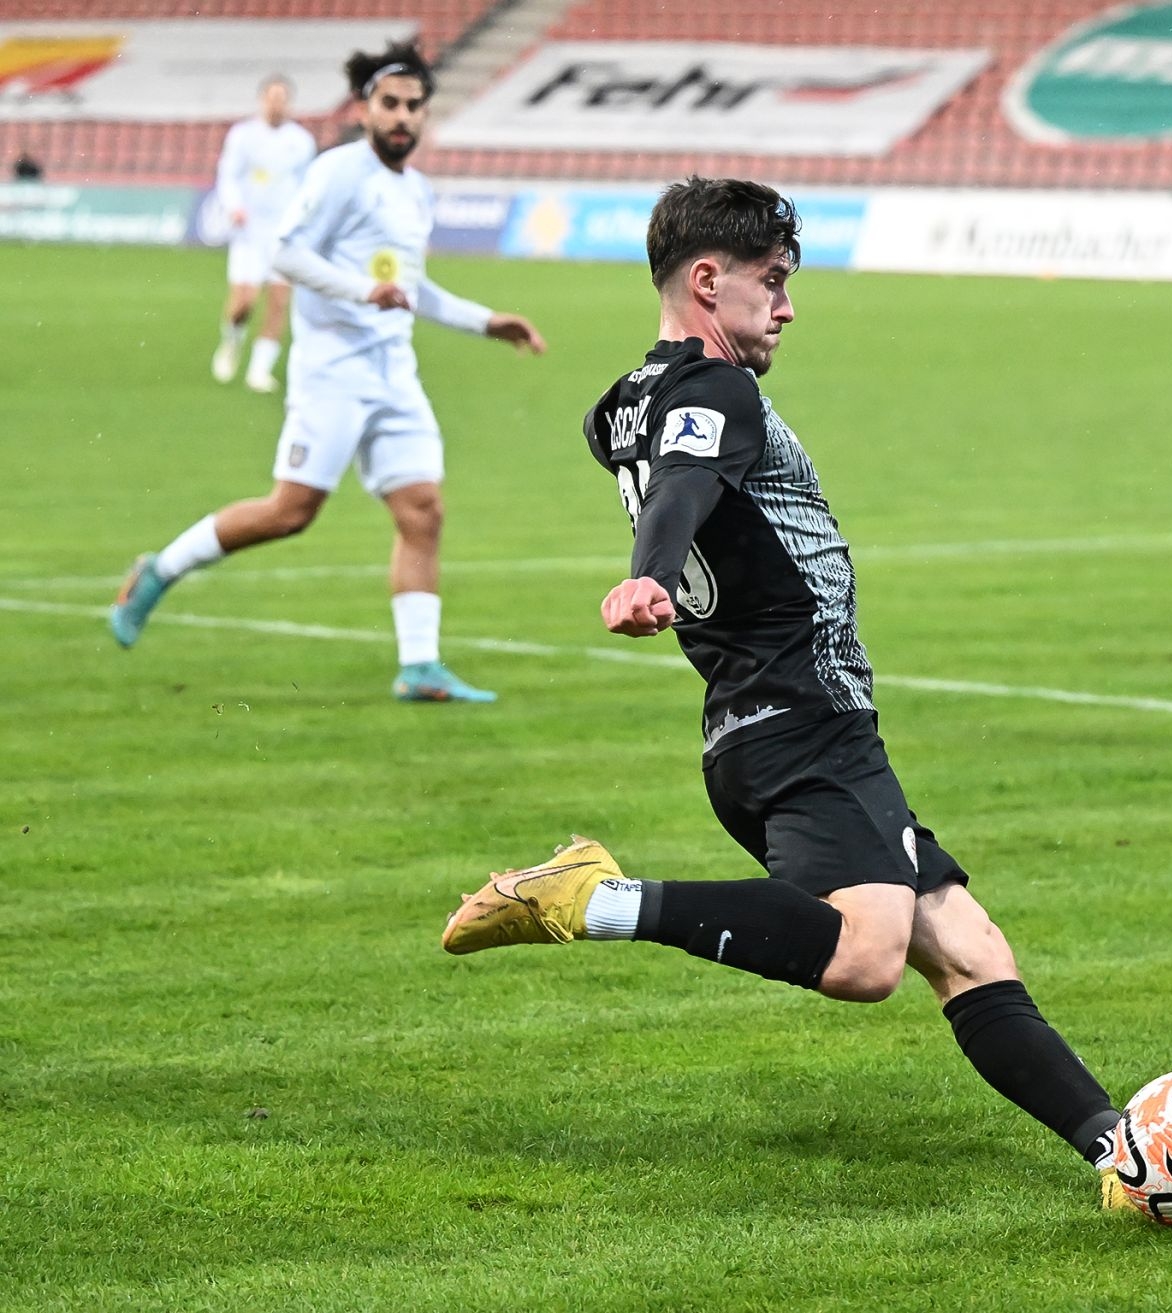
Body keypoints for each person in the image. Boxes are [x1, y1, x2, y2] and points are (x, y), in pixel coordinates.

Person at [441, 177, 1129, 1208]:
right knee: (865, 957)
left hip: (763, 722)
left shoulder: (617, 407)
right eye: (772, 281)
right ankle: (594, 896)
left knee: (968, 947)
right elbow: (686, 484)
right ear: (705, 281)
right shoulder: (717, 393)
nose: (788, 306)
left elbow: (677, 470)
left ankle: (1123, 1154)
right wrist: (649, 573)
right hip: (801, 713)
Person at [109, 42, 546, 703]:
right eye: (390, 103)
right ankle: (159, 571)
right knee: (290, 513)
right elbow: (285, 254)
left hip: (394, 374)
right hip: (332, 373)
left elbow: (411, 288)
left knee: (423, 510)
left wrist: (487, 322)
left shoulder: (415, 191)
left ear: (426, 116)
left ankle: (419, 666)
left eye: (413, 106)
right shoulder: (339, 172)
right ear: (365, 109)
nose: (402, 116)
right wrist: (361, 290)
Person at [212, 75, 316, 392]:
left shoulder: (301, 141)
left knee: (278, 301)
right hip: (249, 230)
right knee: (244, 301)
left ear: (289, 103)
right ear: (262, 100)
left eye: (282, 98)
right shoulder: (243, 136)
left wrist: (303, 221)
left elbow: (307, 187)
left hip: (283, 234)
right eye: (271, 97)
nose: (276, 104)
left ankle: (259, 370)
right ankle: (232, 340)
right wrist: (234, 207)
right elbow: (228, 176)